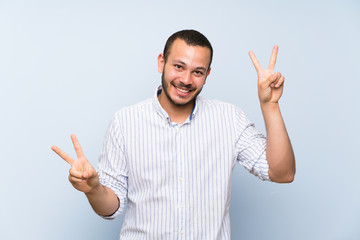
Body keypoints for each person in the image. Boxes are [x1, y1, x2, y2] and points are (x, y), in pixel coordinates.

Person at [52, 29, 295, 239]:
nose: (186, 80)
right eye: (179, 67)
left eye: (197, 72)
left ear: (207, 75)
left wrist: (270, 105)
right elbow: (111, 209)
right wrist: (94, 189)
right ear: (161, 62)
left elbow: (282, 173)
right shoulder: (124, 122)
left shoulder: (229, 118)